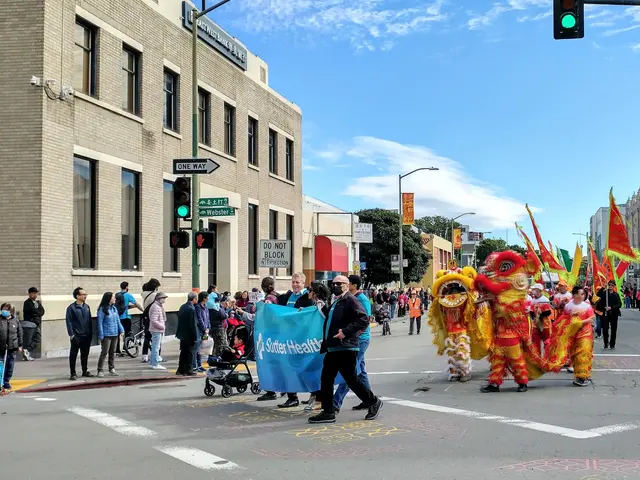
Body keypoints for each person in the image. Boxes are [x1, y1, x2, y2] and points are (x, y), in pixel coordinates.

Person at [309, 275, 383, 424]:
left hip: (346, 347)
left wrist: (345, 332)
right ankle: (328, 411)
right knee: (327, 378)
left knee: (351, 380)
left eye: (339, 284)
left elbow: (363, 319)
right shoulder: (337, 301)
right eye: (333, 283)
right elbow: (328, 317)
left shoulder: (351, 300)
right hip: (334, 347)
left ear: (347, 285)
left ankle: (373, 401)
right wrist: (320, 305)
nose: (335, 286)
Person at [259, 273, 313, 407]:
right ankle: (292, 397)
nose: (295, 285)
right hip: (288, 338)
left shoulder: (308, 297)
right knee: (288, 368)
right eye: (293, 282)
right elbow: (276, 301)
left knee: (307, 368)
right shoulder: (288, 296)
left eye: (298, 282)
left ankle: (315, 395)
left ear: (303, 283)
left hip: (303, 340)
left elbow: (312, 314)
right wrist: (267, 303)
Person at [332, 275, 373, 413]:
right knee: (360, 372)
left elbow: (364, 320)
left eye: (346, 283)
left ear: (353, 285)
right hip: (353, 340)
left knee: (349, 373)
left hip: (359, 341)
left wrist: (350, 334)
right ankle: (369, 400)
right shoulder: (345, 298)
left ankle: (335, 403)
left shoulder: (361, 299)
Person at [301, 281, 331, 411]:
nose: (308, 292)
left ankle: (320, 398)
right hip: (315, 343)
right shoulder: (316, 304)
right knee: (314, 370)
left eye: (310, 290)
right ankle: (316, 396)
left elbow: (326, 316)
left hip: (319, 343)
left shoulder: (321, 304)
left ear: (315, 292)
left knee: (317, 371)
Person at [562, 286, 595, 386]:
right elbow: (564, 319)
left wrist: (580, 322)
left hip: (586, 334)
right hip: (573, 334)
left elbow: (591, 318)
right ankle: (579, 375)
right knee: (575, 355)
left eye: (583, 294)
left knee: (583, 355)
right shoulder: (568, 306)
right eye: (579, 294)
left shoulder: (587, 306)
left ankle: (584, 377)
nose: (581, 296)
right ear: (574, 294)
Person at [66, 287, 93, 380]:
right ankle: (72, 373)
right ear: (77, 296)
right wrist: (71, 334)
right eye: (83, 294)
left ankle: (84, 370)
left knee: (85, 354)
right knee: (73, 354)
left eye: (86, 294)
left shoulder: (87, 307)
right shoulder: (71, 308)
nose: (85, 296)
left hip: (86, 335)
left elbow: (89, 321)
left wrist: (91, 333)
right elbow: (69, 321)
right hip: (76, 335)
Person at [96, 292, 124, 378]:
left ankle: (111, 368)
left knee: (112, 352)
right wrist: (101, 335)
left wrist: (121, 330)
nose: (114, 299)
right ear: (108, 299)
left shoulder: (114, 309)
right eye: (113, 298)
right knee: (104, 352)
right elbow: (99, 322)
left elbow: (117, 320)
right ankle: (100, 370)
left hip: (115, 333)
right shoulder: (102, 309)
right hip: (106, 334)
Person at [115, 281, 143, 356]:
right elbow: (136, 304)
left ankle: (118, 351)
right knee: (128, 333)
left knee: (119, 334)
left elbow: (124, 307)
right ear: (127, 287)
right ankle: (125, 349)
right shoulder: (128, 295)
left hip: (118, 317)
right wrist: (143, 310)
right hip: (126, 318)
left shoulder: (117, 295)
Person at [0, 302, 23, 391]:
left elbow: (19, 333)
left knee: (10, 364)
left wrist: (20, 345)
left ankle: (6, 381)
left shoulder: (15, 321)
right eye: (3, 309)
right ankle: (0, 382)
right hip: (1, 347)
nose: (4, 311)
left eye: (7, 309)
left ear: (11, 311)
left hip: (12, 347)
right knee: (1, 364)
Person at [176, 292, 198, 376]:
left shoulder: (183, 306)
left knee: (184, 352)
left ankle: (181, 369)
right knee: (190, 352)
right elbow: (193, 324)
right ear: (194, 299)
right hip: (189, 334)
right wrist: (195, 336)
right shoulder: (191, 309)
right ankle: (189, 369)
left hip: (182, 333)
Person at [596, 280, 622, 350]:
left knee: (613, 329)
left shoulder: (616, 294)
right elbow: (598, 294)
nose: (610, 286)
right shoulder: (605, 293)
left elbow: (619, 304)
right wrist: (603, 287)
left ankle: (612, 344)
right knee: (605, 329)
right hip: (605, 313)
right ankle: (606, 343)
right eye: (609, 285)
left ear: (614, 286)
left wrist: (611, 307)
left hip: (614, 314)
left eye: (612, 285)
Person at [141, 278, 161, 363]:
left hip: (146, 317)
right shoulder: (154, 295)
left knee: (147, 337)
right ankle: (157, 356)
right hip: (154, 317)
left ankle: (144, 356)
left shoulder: (144, 295)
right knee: (156, 337)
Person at [22, 287, 44, 361]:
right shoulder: (27, 302)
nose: (35, 295)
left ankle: (27, 350)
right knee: (28, 339)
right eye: (33, 293)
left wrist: (38, 312)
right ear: (29, 294)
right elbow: (33, 311)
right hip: (29, 324)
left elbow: (42, 311)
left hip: (36, 324)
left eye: (36, 293)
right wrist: (37, 312)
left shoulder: (37, 303)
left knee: (37, 339)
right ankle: (26, 352)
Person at [149, 292, 168, 370]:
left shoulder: (158, 306)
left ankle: (153, 362)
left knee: (155, 347)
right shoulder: (156, 307)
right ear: (158, 299)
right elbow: (154, 320)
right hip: (156, 330)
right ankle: (155, 364)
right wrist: (162, 326)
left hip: (157, 329)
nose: (164, 300)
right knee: (156, 347)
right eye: (163, 298)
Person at [194, 291, 211, 372]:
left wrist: (208, 327)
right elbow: (199, 319)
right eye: (207, 297)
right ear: (204, 298)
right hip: (201, 331)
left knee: (202, 348)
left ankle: (200, 365)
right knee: (197, 348)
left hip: (206, 331)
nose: (208, 298)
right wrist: (204, 328)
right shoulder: (198, 307)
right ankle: (195, 365)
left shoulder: (205, 306)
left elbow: (207, 318)